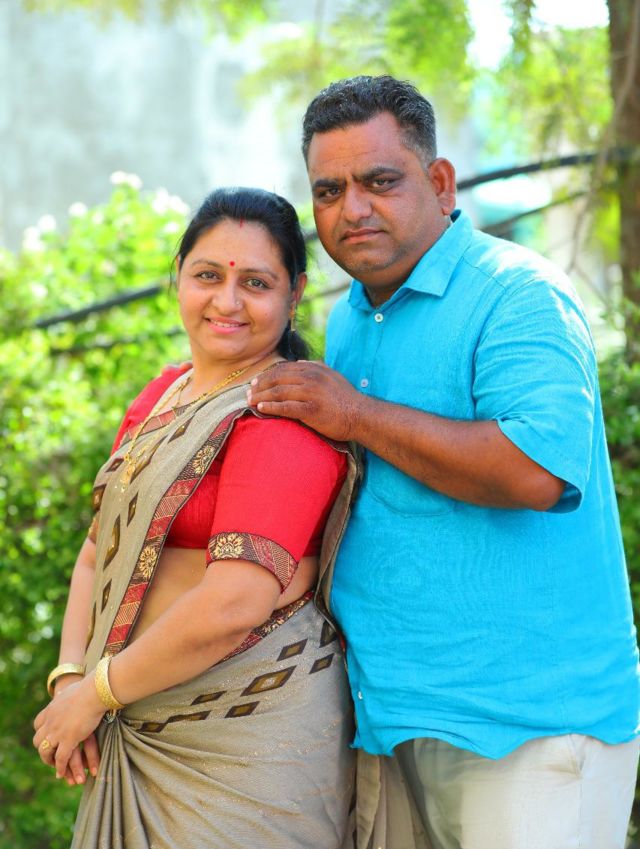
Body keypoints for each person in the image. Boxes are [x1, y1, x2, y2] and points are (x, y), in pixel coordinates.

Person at [248, 75, 640, 849]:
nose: (353, 208)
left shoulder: (518, 293)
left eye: (379, 180)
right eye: (329, 190)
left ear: (440, 182)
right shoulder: (350, 320)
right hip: (393, 718)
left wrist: (356, 414)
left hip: (530, 728)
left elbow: (535, 470)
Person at [33, 187, 359, 849]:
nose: (227, 301)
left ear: (294, 294)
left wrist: (96, 694)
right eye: (208, 275)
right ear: (178, 276)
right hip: (131, 719)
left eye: (256, 283)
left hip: (245, 747)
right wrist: (69, 678)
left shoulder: (283, 413)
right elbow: (98, 552)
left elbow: (234, 603)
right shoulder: (163, 394)